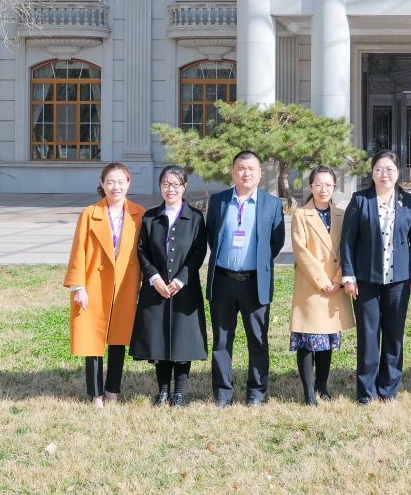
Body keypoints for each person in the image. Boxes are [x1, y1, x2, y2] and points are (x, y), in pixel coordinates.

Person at [340, 150, 411, 405]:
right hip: (366, 280)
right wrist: (348, 275)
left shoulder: (408, 201)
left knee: (393, 334)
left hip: (399, 280)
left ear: (398, 173)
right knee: (368, 336)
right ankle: (366, 392)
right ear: (372, 173)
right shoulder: (360, 200)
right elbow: (347, 241)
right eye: (378, 169)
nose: (384, 174)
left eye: (389, 169)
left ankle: (388, 389)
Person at [205, 151, 285, 407]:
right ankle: (222, 394)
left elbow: (276, 242)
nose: (246, 173)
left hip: (255, 282)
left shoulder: (272, 204)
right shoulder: (218, 201)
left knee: (258, 340)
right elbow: (212, 236)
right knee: (221, 341)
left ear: (260, 173)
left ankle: (256, 394)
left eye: (251, 168)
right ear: (233, 171)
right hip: (223, 281)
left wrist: (257, 263)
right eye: (241, 168)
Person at [64, 163, 145, 407]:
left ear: (128, 183)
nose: (115, 187)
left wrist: (143, 287)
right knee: (93, 339)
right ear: (102, 184)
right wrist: (78, 287)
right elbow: (78, 251)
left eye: (121, 182)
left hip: (125, 285)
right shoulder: (89, 214)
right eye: (110, 182)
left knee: (118, 338)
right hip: (94, 283)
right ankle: (96, 395)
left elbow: (145, 253)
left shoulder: (139, 213)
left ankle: (112, 392)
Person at [130, 165, 208, 407]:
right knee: (159, 339)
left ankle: (179, 394)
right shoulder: (150, 217)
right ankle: (163, 391)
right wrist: (154, 278)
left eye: (175, 184)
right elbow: (142, 250)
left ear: (184, 187)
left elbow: (198, 252)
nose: (170, 189)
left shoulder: (195, 218)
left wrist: (180, 280)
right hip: (156, 289)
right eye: (165, 184)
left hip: (185, 289)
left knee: (183, 340)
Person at [288, 165, 354, 406]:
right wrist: (323, 281)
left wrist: (337, 279)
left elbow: (348, 249)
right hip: (311, 286)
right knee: (307, 341)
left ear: (334, 187)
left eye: (328, 185)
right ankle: (308, 392)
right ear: (311, 186)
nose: (323, 189)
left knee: (326, 340)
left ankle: (322, 386)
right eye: (318, 184)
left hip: (334, 286)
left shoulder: (342, 214)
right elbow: (301, 251)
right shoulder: (300, 215)